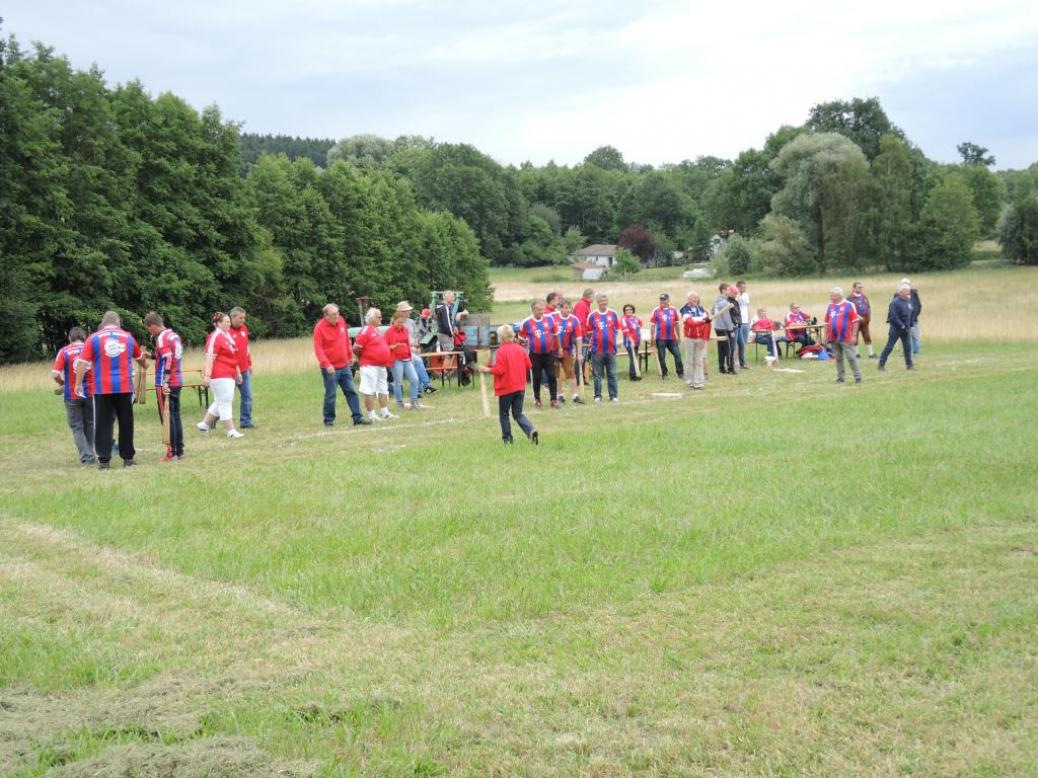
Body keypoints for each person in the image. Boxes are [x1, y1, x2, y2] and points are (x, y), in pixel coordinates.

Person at [74, 310, 146, 469]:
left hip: (101, 387)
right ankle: (128, 459)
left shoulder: (93, 338)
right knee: (126, 422)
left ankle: (104, 461)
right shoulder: (128, 337)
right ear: (118, 322)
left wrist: (78, 384)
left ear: (104, 322)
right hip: (125, 386)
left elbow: (82, 363)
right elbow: (141, 359)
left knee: (103, 423)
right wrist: (146, 364)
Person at [313, 303, 370, 427]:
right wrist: (326, 364)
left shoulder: (341, 321)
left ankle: (358, 418)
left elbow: (346, 340)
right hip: (330, 368)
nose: (336, 317)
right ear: (325, 316)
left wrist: (349, 355)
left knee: (351, 391)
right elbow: (318, 349)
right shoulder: (319, 328)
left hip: (344, 366)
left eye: (337, 313)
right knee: (331, 394)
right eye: (333, 315)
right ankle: (329, 421)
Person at [479, 325, 537, 445]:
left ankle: (507, 439)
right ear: (513, 335)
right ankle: (530, 431)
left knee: (504, 414)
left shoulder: (500, 352)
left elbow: (500, 370)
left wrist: (487, 369)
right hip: (520, 386)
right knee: (518, 413)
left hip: (507, 387)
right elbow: (529, 365)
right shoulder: (520, 349)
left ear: (501, 338)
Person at [144, 312, 185, 461]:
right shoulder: (173, 335)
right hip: (178, 380)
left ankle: (171, 451)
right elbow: (169, 355)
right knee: (175, 416)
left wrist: (165, 379)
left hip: (165, 382)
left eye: (149, 329)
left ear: (154, 325)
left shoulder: (161, 338)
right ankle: (179, 450)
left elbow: (168, 358)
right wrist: (151, 356)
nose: (149, 332)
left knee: (166, 417)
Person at [197, 312, 245, 438]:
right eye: (226, 321)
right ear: (218, 323)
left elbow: (234, 355)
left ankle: (204, 424)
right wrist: (207, 376)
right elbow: (209, 357)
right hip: (219, 374)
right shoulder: (214, 337)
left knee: (220, 401)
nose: (229, 323)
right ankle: (231, 431)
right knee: (225, 402)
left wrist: (237, 372)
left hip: (229, 373)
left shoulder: (228, 336)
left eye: (229, 321)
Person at [52, 327, 95, 465]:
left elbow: (55, 374)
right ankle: (89, 452)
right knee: (90, 424)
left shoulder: (64, 351)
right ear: (84, 337)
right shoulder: (92, 349)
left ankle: (87, 457)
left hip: (72, 394)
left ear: (70, 337)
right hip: (91, 392)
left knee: (77, 427)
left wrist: (63, 383)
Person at [353, 307, 397, 421]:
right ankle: (372, 415)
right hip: (369, 365)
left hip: (381, 366)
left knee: (383, 389)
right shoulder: (366, 330)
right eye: (379, 316)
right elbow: (356, 348)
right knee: (369, 390)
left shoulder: (376, 330)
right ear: (371, 318)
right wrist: (366, 357)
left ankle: (385, 412)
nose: (381, 318)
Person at [519, 300, 560, 409]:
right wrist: (520, 353)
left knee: (552, 376)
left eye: (542, 309)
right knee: (536, 377)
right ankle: (537, 398)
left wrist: (559, 348)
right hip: (534, 354)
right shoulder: (527, 322)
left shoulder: (550, 319)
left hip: (549, 353)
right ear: (533, 310)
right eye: (538, 310)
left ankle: (554, 400)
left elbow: (556, 334)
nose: (541, 312)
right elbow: (521, 339)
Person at [386, 303, 423, 410]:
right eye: (398, 323)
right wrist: (394, 346)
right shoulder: (389, 332)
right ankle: (400, 404)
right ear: (394, 321)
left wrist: (410, 356)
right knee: (398, 382)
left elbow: (407, 343)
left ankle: (414, 402)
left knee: (414, 379)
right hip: (396, 360)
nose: (400, 325)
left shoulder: (405, 330)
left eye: (402, 323)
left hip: (407, 358)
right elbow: (385, 346)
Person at [586, 292, 621, 402]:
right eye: (602, 301)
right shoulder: (592, 316)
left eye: (605, 301)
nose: (604, 303)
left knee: (612, 373)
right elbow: (589, 332)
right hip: (597, 350)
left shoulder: (613, 314)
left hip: (611, 350)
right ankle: (597, 396)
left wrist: (618, 341)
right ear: (597, 302)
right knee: (597, 375)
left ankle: (613, 395)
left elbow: (618, 329)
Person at [824, 287, 862, 384]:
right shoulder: (830, 306)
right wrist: (826, 335)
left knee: (851, 357)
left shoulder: (849, 305)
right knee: (838, 357)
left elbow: (855, 321)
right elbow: (827, 322)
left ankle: (858, 377)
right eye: (831, 295)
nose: (831, 297)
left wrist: (854, 335)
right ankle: (841, 377)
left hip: (846, 336)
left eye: (833, 295)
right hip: (833, 336)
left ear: (839, 295)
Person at [878, 284, 915, 371]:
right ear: (901, 292)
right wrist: (901, 325)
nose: (908, 293)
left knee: (908, 347)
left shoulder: (909, 302)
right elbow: (893, 316)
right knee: (890, 346)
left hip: (906, 329)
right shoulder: (894, 303)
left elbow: (911, 314)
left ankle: (909, 365)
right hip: (896, 329)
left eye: (908, 291)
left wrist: (911, 326)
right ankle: (881, 364)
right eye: (906, 291)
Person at [554, 299, 584, 403]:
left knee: (570, 372)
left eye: (570, 308)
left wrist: (579, 353)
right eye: (566, 308)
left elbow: (579, 338)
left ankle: (575, 395)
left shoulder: (574, 320)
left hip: (567, 351)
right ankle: (559, 395)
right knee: (556, 373)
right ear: (560, 308)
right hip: (553, 351)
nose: (569, 310)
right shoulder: (553, 318)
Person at [229, 307, 254, 429]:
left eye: (244, 318)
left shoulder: (244, 329)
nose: (243, 320)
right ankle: (211, 421)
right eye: (240, 318)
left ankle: (246, 422)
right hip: (230, 371)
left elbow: (247, 348)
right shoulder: (226, 332)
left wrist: (249, 364)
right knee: (226, 399)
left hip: (244, 370)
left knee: (247, 396)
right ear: (233, 317)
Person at [680, 292, 711, 390]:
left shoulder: (702, 310)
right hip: (689, 338)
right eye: (692, 298)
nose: (695, 300)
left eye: (696, 298)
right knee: (690, 360)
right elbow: (690, 323)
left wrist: (704, 339)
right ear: (688, 299)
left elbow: (707, 325)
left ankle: (698, 382)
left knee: (699, 360)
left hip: (700, 338)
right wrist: (703, 321)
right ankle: (690, 381)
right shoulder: (685, 310)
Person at [650, 293, 684, 379]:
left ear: (668, 300)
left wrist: (679, 336)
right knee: (662, 357)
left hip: (672, 338)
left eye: (664, 299)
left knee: (677, 355)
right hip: (660, 338)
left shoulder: (673, 310)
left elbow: (676, 324)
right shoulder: (656, 310)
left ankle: (680, 373)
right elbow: (653, 325)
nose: (662, 301)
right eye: (661, 299)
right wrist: (652, 337)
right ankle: (664, 374)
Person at [712, 283, 736, 374]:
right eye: (728, 289)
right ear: (723, 290)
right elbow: (727, 317)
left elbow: (712, 310)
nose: (729, 291)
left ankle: (721, 367)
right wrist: (731, 330)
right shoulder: (724, 302)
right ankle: (730, 368)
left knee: (721, 348)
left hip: (717, 327)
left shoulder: (717, 300)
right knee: (728, 349)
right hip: (723, 327)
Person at [848, 281, 876, 358]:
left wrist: (869, 317)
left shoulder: (864, 297)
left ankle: (871, 353)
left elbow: (868, 307)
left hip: (865, 320)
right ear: (854, 288)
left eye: (861, 287)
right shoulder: (850, 298)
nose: (860, 289)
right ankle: (856, 354)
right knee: (855, 337)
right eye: (859, 287)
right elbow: (848, 310)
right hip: (855, 321)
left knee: (867, 336)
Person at [898, 277, 923, 354]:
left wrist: (915, 315)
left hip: (913, 320)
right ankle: (907, 352)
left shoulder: (914, 294)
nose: (906, 286)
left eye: (907, 284)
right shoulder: (898, 295)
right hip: (903, 321)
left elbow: (918, 305)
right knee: (905, 337)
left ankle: (916, 351)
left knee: (915, 336)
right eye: (904, 284)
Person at [621, 304, 643, 382]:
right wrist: (631, 339)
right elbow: (626, 331)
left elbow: (640, 324)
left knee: (635, 357)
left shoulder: (634, 318)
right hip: (629, 342)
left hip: (637, 341)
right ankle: (633, 376)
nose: (629, 311)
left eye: (630, 309)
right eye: (627, 310)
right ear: (624, 311)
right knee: (633, 358)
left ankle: (636, 374)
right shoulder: (624, 319)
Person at [735, 280, 751, 369]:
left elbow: (746, 307)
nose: (744, 289)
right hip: (738, 321)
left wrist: (749, 318)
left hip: (745, 321)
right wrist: (738, 295)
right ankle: (735, 360)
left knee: (744, 343)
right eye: (742, 287)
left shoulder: (746, 295)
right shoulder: (735, 296)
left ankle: (742, 359)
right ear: (738, 287)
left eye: (745, 287)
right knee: (738, 343)